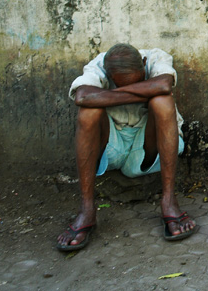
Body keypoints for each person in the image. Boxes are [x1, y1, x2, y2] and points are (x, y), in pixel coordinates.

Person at [55, 43, 197, 251]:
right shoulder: (99, 65)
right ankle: (87, 210)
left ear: (144, 65)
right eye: (118, 84)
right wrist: (145, 90)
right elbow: (83, 96)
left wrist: (108, 95)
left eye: (138, 81)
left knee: (162, 101)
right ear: (109, 75)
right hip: (113, 146)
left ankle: (169, 202)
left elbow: (164, 86)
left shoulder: (156, 58)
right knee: (88, 111)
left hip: (147, 146)